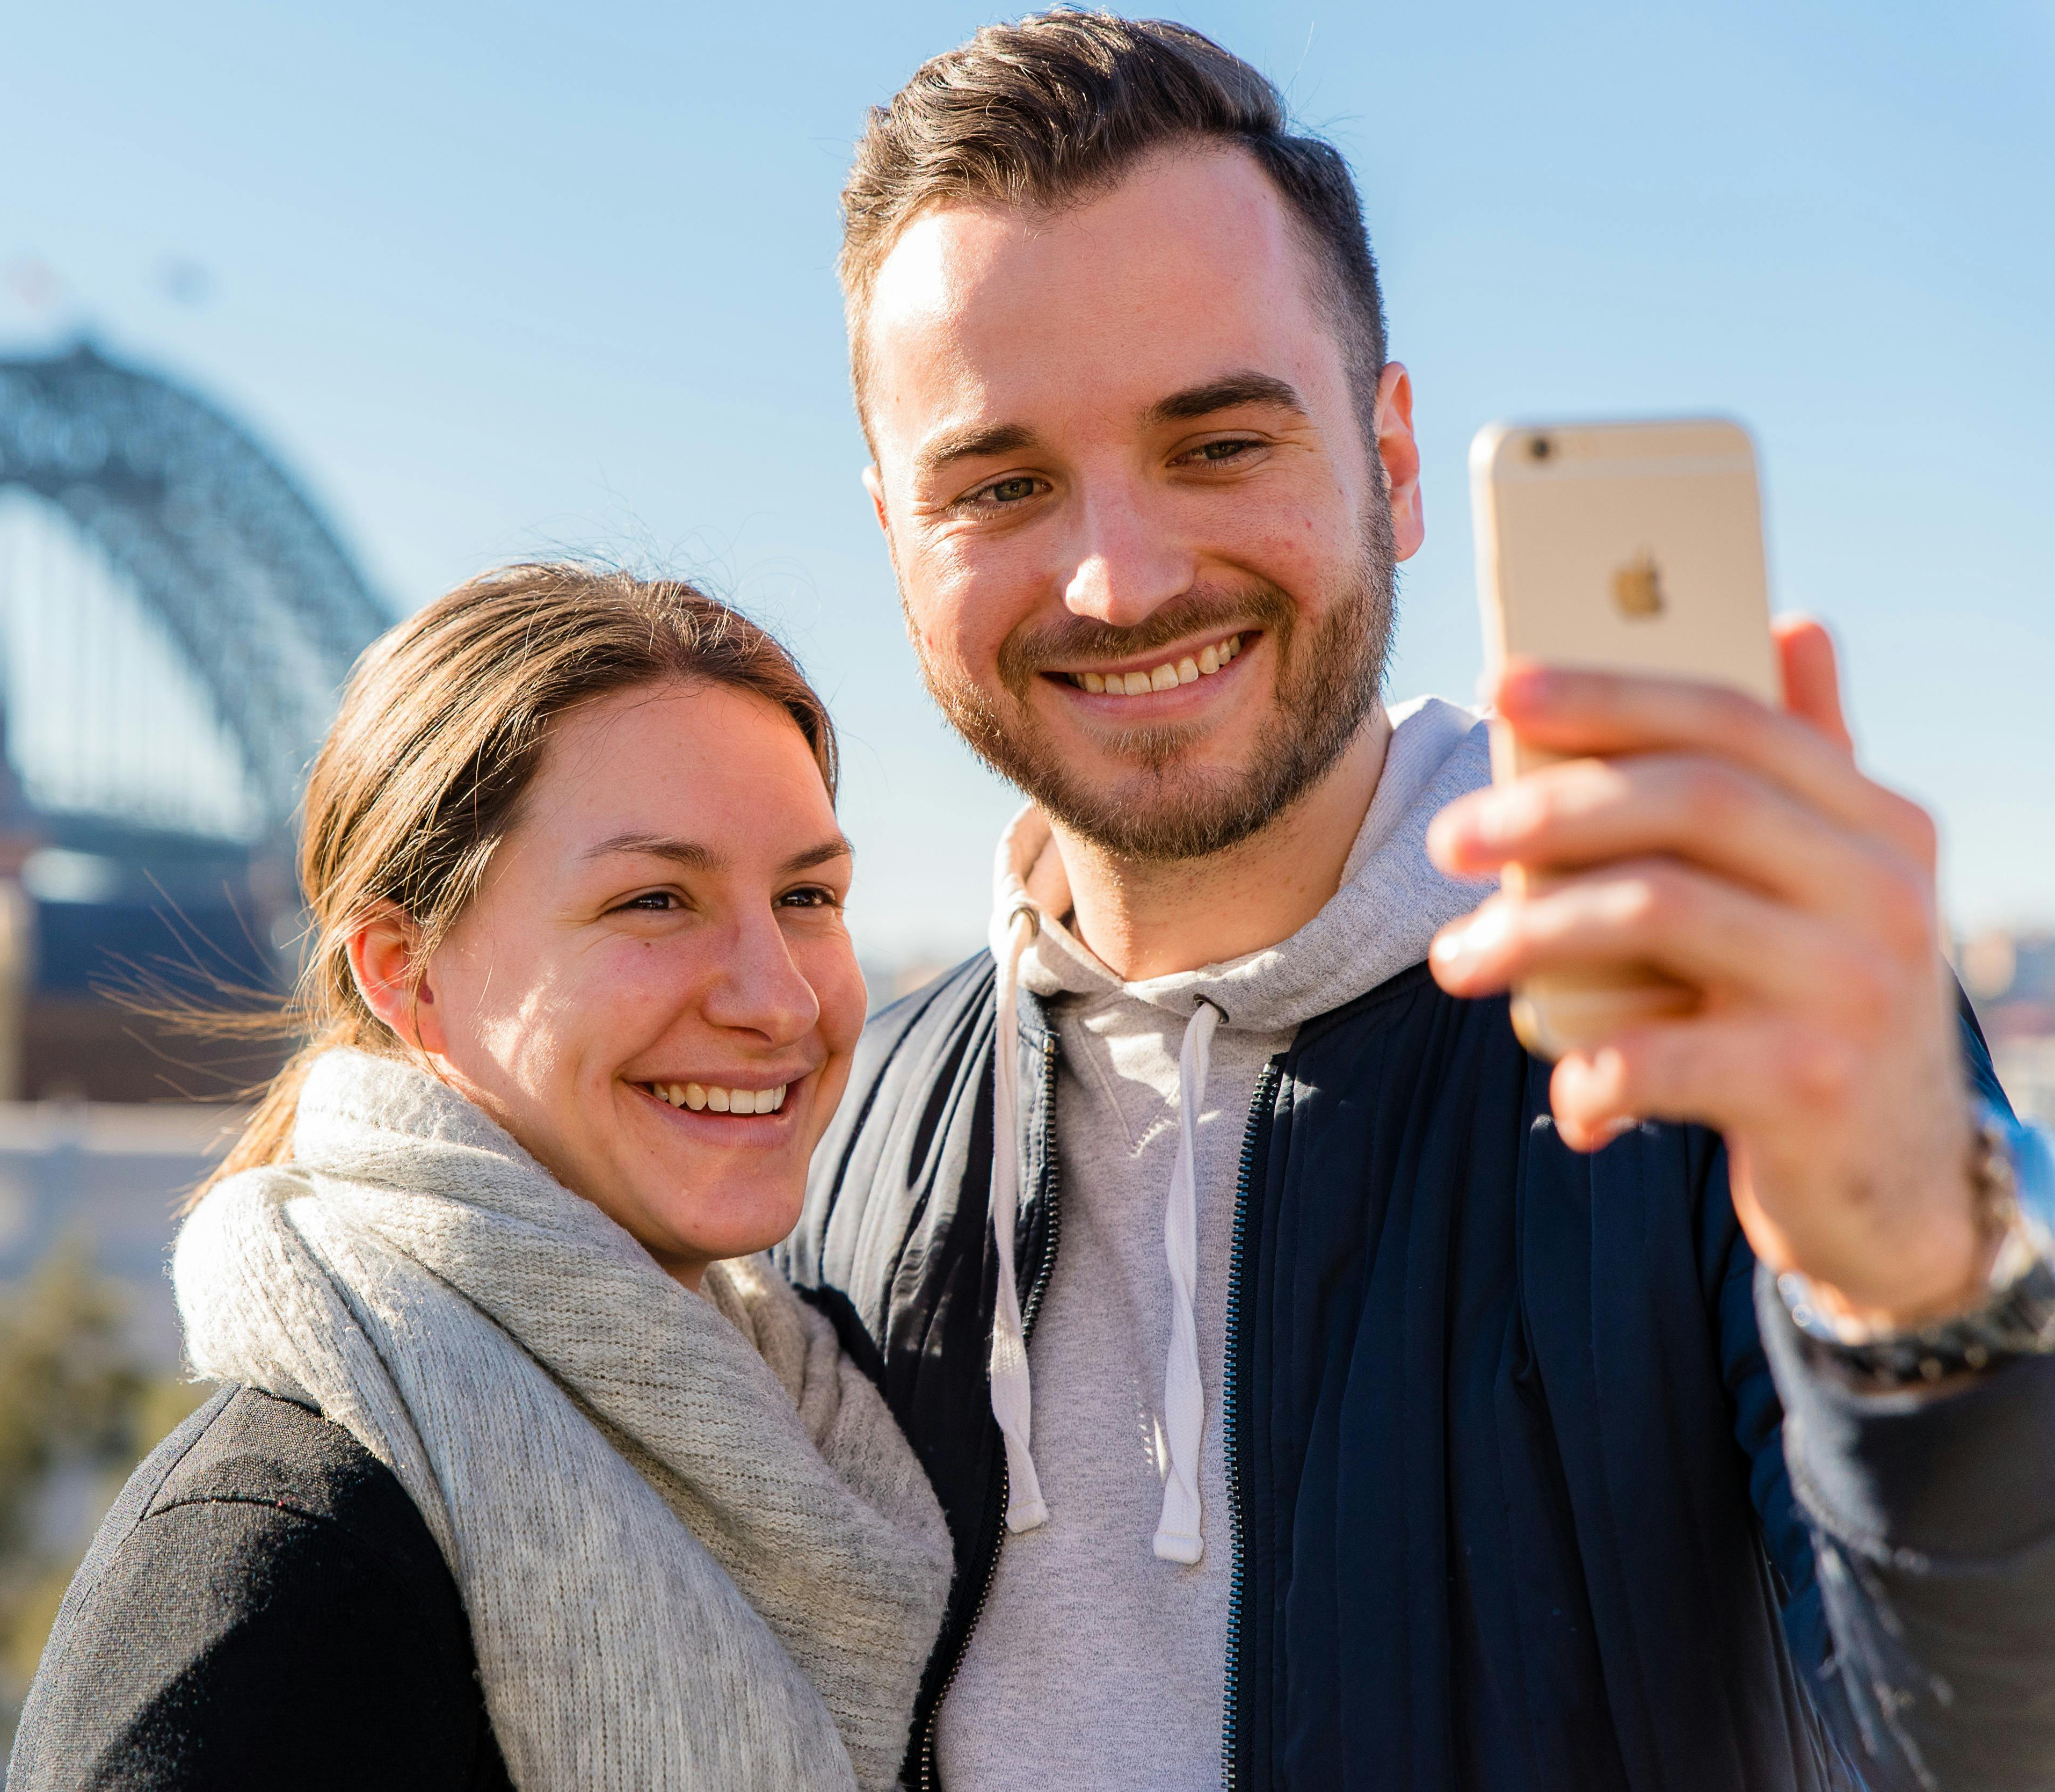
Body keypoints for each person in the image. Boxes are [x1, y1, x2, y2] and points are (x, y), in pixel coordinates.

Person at [785, 15, 2055, 1792]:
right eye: (999, 482)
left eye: (1218, 443)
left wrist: (1926, 1279)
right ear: (893, 534)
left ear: (1390, 459)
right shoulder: (848, 1128)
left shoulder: (1713, 1037)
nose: (1118, 574)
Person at [9, 565, 954, 1791]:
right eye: (655, 900)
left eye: (807, 895)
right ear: (407, 974)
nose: (778, 999)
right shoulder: (281, 1565)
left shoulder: (816, 1440)